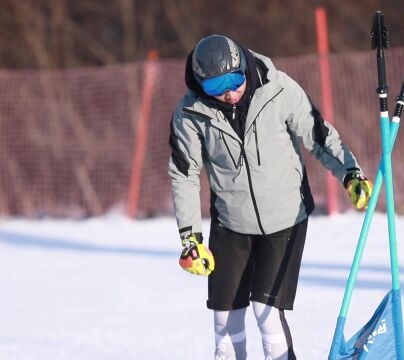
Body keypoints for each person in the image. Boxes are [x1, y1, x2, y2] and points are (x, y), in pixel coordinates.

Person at [168, 34, 372, 359]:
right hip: (231, 222)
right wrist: (190, 239)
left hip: (285, 217)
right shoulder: (191, 113)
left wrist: (351, 174)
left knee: (266, 312)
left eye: (235, 80)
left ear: (244, 68)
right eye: (216, 88)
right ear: (200, 85)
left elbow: (317, 133)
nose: (230, 93)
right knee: (225, 320)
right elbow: (184, 172)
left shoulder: (277, 88)